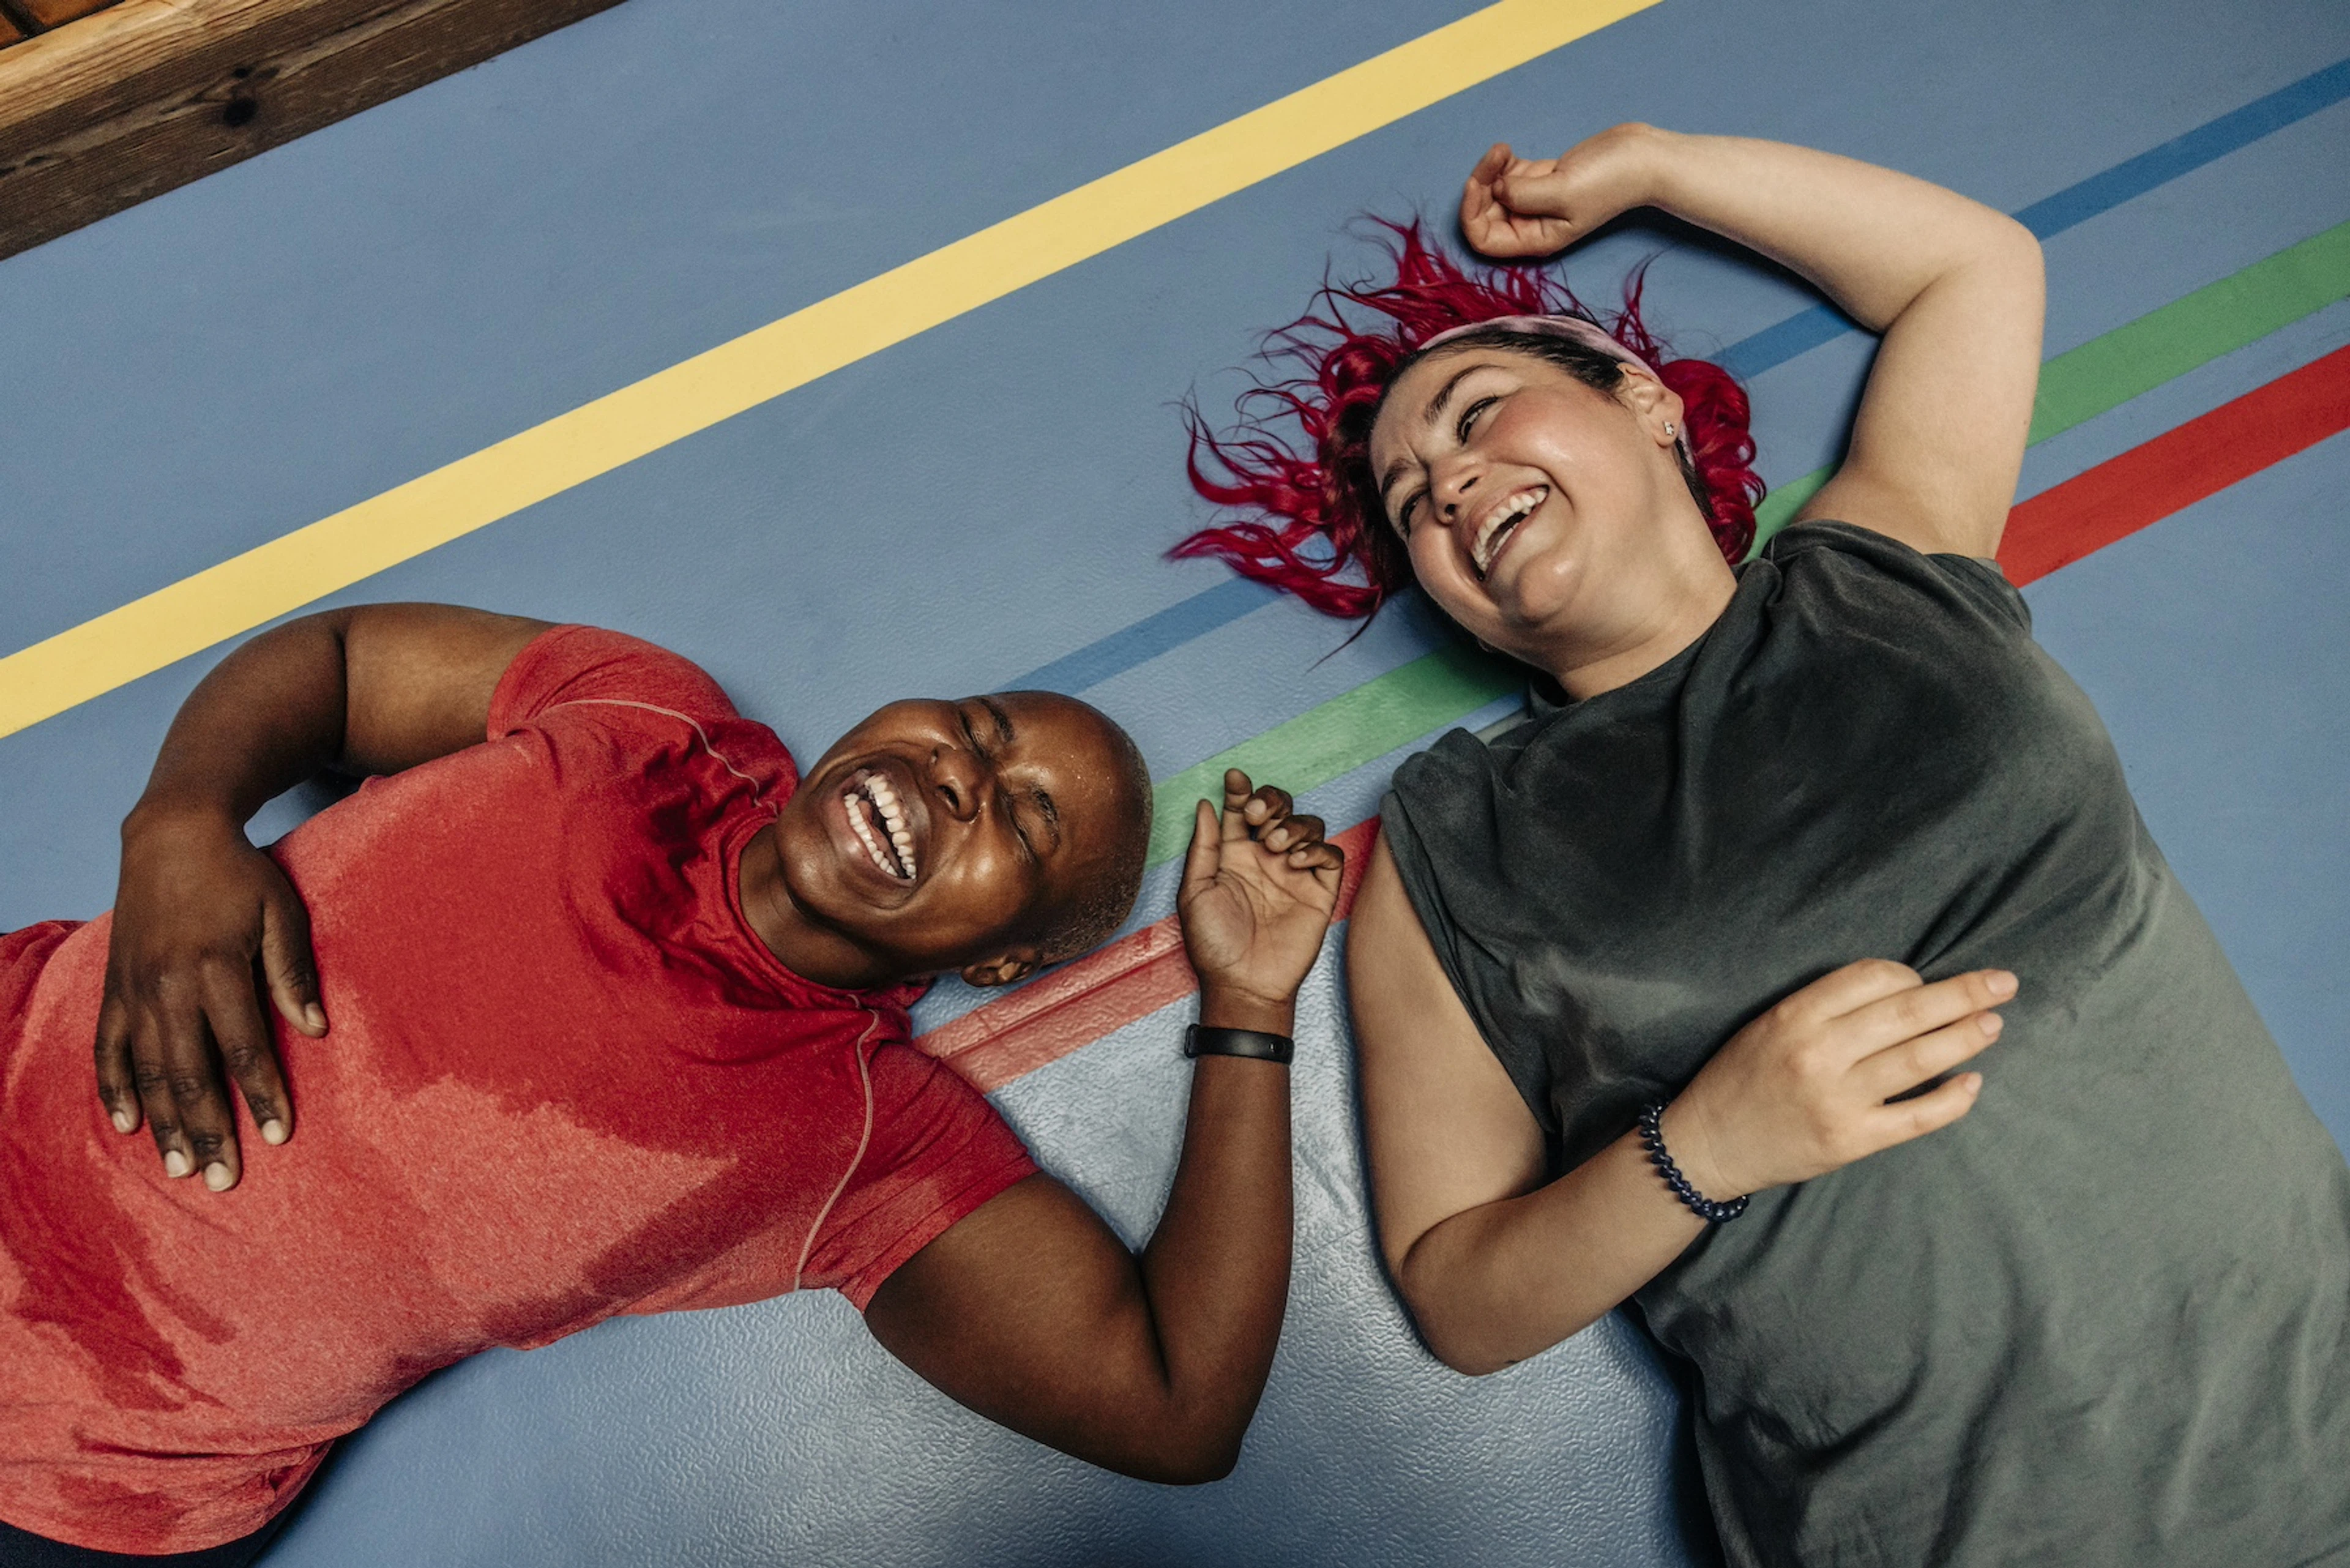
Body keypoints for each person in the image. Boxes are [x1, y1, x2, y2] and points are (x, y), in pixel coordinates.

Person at [1181, 123, 2350, 1565]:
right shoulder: (1453, 849)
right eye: (1415, 502)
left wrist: (1647, 173)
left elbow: (1973, 268)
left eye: (1480, 414)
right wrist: (1707, 1142)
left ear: (1648, 405)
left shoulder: (1878, 572)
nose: (1452, 484)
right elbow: (1461, 1295)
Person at [0, 604, 1345, 1563]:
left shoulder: (867, 1138)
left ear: (1001, 963)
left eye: (1025, 820)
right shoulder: (645, 713)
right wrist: (180, 816)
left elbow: (1171, 1405)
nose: (962, 775)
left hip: (84, 1483)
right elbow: (344, 661)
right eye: (982, 730)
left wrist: (1249, 1001)